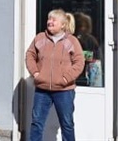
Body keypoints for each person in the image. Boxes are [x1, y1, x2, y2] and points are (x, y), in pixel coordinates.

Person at [25, 9, 84, 141]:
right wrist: (36, 73)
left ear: (63, 25)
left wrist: (65, 79)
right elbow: (30, 55)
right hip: (42, 89)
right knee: (36, 123)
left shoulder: (72, 41)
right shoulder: (40, 38)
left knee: (67, 124)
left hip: (64, 91)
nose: (49, 22)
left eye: (53, 20)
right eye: (49, 19)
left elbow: (79, 63)